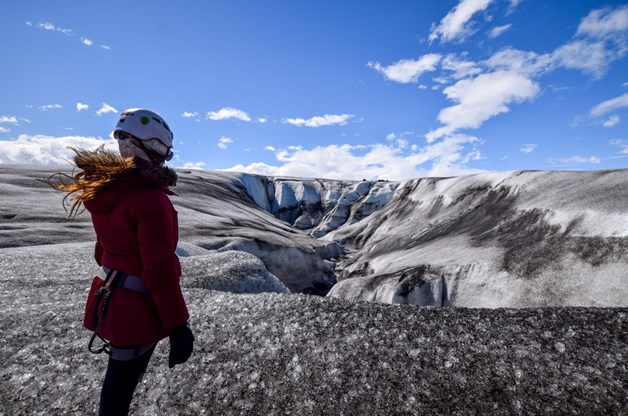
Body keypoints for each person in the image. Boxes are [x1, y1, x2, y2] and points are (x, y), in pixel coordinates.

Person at [47, 108, 194, 415]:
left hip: (109, 298)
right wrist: (178, 326)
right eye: (164, 150)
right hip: (136, 309)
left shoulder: (108, 190)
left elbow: (102, 252)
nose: (165, 157)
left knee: (119, 382)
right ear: (152, 146)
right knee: (120, 388)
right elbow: (159, 270)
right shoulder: (150, 198)